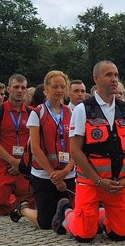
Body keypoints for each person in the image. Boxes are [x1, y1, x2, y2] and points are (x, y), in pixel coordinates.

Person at [52, 60, 125, 242]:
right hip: (90, 182)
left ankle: (98, 216)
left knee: (121, 235)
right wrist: (98, 181)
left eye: (116, 75)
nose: (114, 79)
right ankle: (66, 213)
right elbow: (75, 151)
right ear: (96, 79)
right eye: (109, 75)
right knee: (85, 236)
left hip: (118, 184)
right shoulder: (82, 110)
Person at [11, 71, 76, 228]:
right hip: (44, 174)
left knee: (69, 214)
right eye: (55, 87)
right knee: (46, 223)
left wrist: (66, 170)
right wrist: (54, 175)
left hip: (67, 171)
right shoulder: (37, 113)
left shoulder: (71, 112)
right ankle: (24, 209)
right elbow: (35, 148)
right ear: (46, 88)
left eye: (62, 87)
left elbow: (76, 146)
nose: (59, 91)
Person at [0, 74, 35, 216]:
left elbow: (34, 141)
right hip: (3, 164)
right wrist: (13, 161)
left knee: (31, 203)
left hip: (23, 165)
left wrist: (21, 164)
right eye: (16, 87)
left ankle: (19, 205)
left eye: (23, 87)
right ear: (8, 89)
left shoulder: (31, 113)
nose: (19, 90)